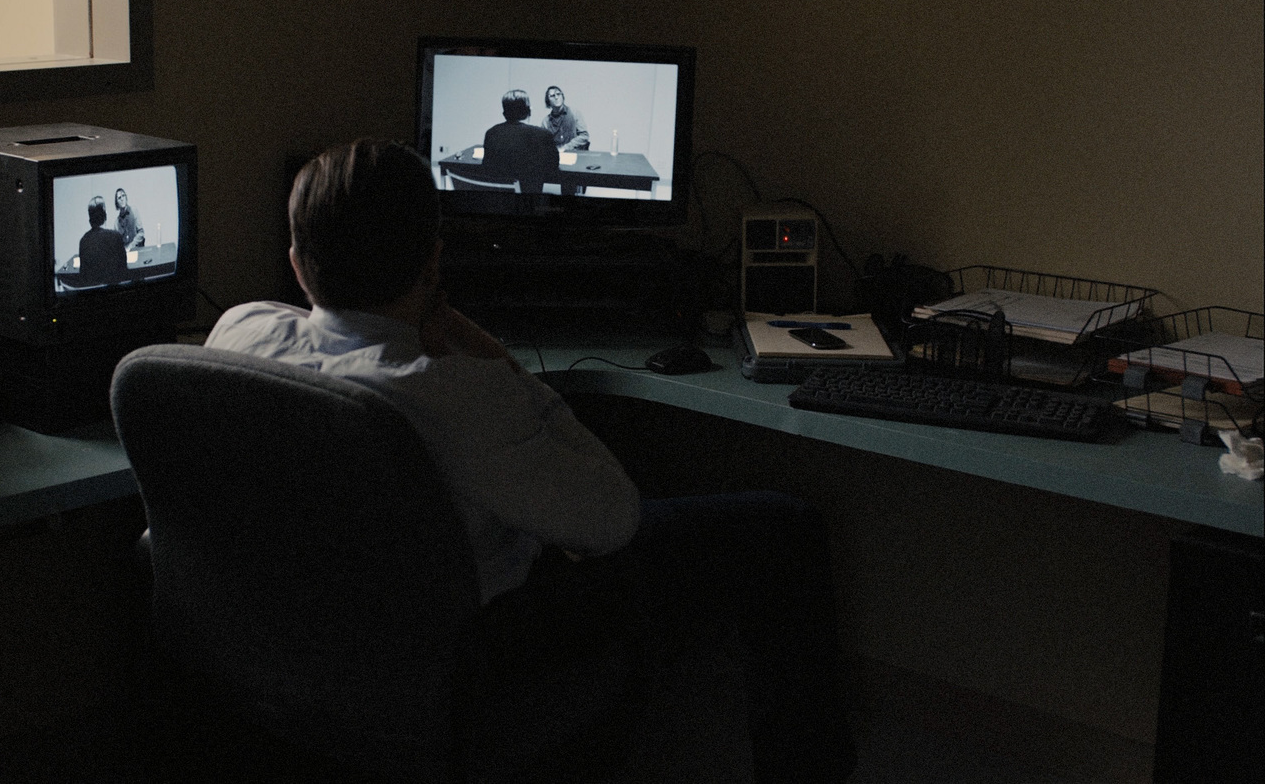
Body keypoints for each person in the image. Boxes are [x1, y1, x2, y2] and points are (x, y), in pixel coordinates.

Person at [205, 139, 857, 783]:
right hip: (470, 650)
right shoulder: (461, 393)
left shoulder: (239, 332)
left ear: (295, 262)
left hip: (303, 647)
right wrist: (491, 357)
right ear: (434, 262)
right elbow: (612, 520)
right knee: (783, 527)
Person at [481, 89, 559, 197]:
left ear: (504, 113)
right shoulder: (543, 135)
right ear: (529, 111)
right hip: (529, 204)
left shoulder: (491, 133)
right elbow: (553, 167)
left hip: (497, 202)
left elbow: (487, 166)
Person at [77, 195, 128, 285]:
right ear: (105, 214)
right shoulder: (115, 237)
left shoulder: (83, 241)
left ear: (90, 218)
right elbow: (124, 270)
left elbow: (83, 275)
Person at [541, 85, 590, 152]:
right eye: (552, 95)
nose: (556, 97)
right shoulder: (546, 122)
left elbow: (584, 136)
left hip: (576, 156)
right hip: (556, 158)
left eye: (558, 94)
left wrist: (566, 148)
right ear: (548, 101)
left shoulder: (574, 113)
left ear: (563, 96)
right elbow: (544, 144)